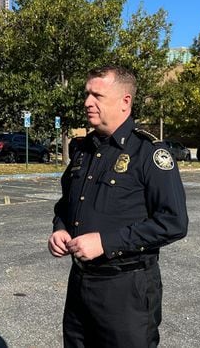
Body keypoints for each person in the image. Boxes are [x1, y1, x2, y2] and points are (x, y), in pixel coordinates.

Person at [48, 65, 188, 348]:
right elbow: (65, 203)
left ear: (125, 101)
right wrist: (59, 229)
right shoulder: (83, 149)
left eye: (97, 95)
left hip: (126, 289)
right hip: (80, 283)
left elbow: (173, 222)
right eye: (87, 94)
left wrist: (106, 242)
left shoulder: (149, 153)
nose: (88, 102)